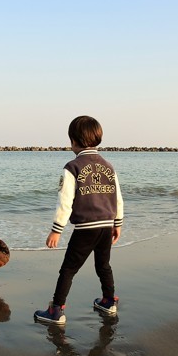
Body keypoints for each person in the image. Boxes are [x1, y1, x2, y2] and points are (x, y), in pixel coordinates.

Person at [34, 115, 123, 325]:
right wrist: (117, 223)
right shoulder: (109, 166)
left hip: (86, 228)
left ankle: (56, 310)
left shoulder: (72, 167)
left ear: (73, 140)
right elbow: (118, 197)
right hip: (106, 225)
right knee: (104, 265)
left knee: (68, 269)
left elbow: (65, 201)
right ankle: (109, 301)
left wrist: (57, 229)